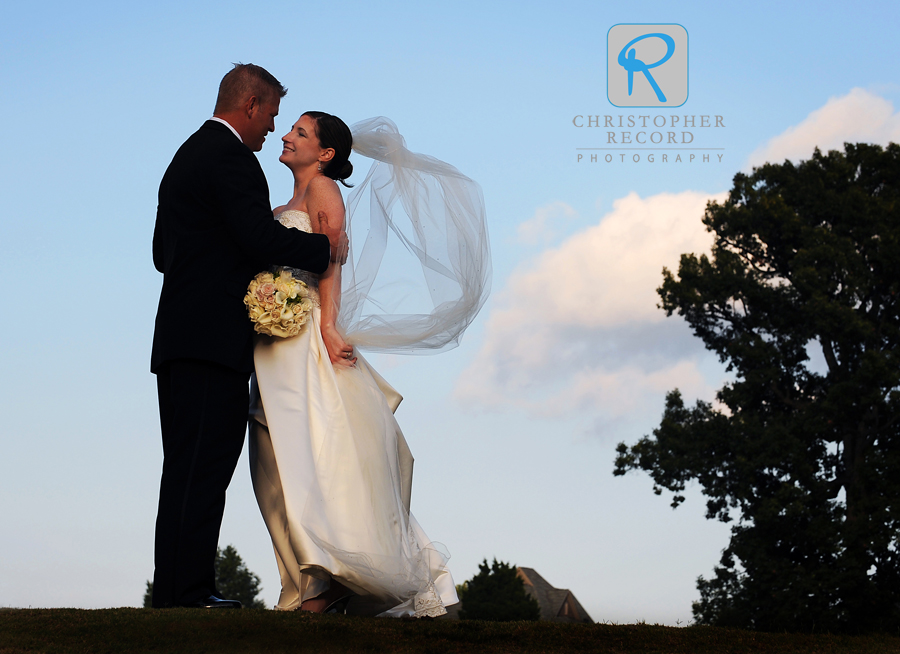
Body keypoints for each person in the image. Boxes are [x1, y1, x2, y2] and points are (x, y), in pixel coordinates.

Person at [248, 112, 467, 617]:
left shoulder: (324, 190)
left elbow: (331, 263)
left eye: (300, 133)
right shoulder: (280, 205)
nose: (286, 137)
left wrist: (328, 326)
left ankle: (330, 578)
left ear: (324, 154)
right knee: (275, 460)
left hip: (305, 334)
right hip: (271, 342)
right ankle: (304, 580)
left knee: (319, 452)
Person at [150, 65, 346, 609]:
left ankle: (174, 593)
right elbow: (257, 235)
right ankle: (190, 594)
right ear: (253, 104)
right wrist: (322, 250)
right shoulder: (231, 157)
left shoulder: (186, 156)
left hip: (179, 338)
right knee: (206, 469)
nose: (272, 131)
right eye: (273, 117)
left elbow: (161, 253)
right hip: (213, 344)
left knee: (184, 468)